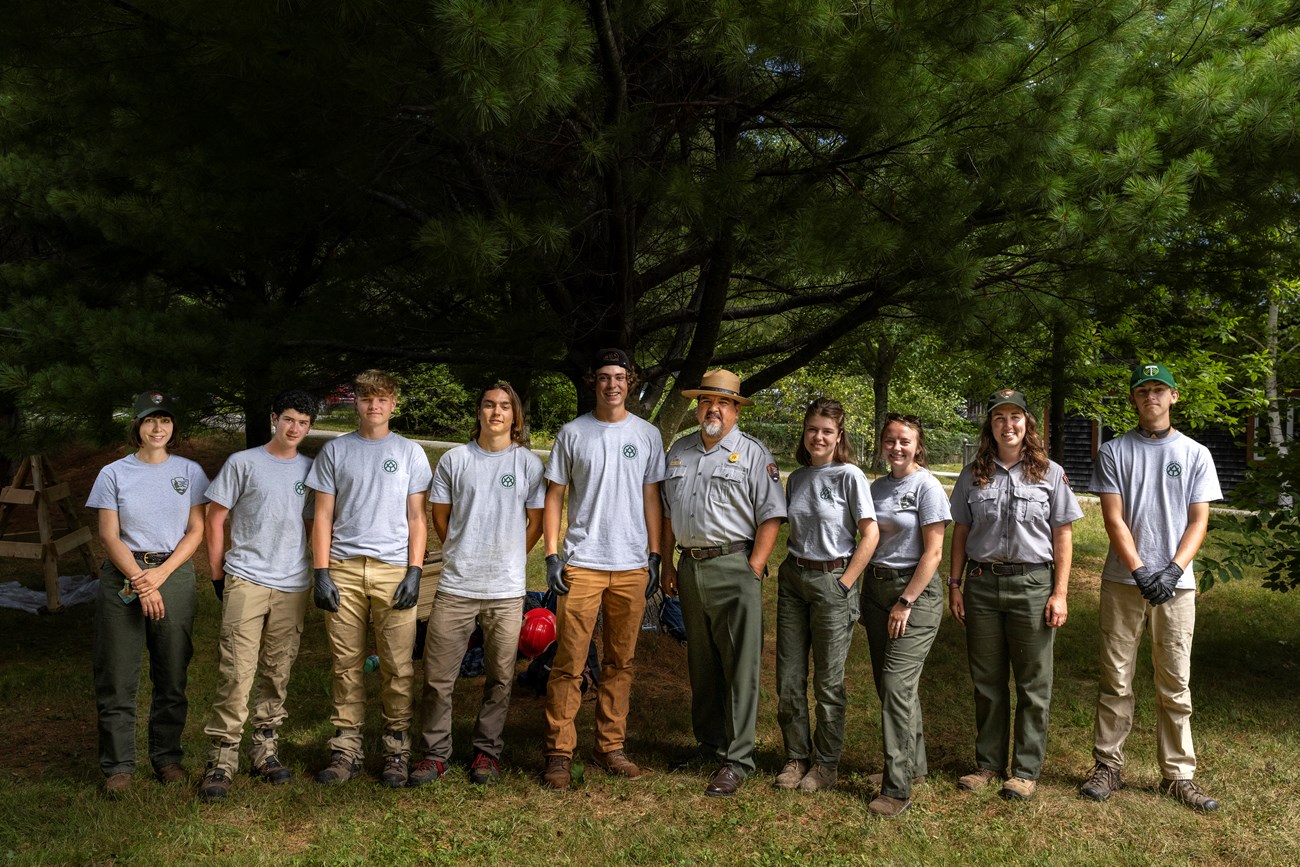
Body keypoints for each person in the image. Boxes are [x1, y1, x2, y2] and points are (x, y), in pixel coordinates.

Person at [1079, 363, 1223, 812]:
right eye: (1143, 391)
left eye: (1159, 389)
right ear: (1134, 400)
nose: (1151, 397)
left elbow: (1199, 520)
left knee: (1175, 682)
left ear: (1174, 397)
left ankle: (1178, 775)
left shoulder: (1196, 453)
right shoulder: (1115, 451)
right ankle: (1108, 765)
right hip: (1124, 582)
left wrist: (1174, 571)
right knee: (1115, 678)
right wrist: (1141, 570)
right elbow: (1113, 517)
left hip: (1178, 587)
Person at [540, 349, 666, 790]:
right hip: (583, 563)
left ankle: (610, 745)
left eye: (620, 377)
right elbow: (554, 495)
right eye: (604, 377)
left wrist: (654, 554)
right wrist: (552, 554)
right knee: (569, 661)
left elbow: (653, 496)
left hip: (631, 564)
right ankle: (560, 750)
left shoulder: (648, 435)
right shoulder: (573, 433)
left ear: (630, 382)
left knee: (621, 662)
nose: (612, 384)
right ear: (594, 382)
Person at [409, 381, 545, 787]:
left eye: (505, 405)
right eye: (489, 405)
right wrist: (461, 549)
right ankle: (435, 754)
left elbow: (535, 522)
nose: (496, 412)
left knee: (500, 678)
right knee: (437, 678)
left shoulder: (528, 464)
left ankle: (487, 752)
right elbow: (439, 516)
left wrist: (510, 557)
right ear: (479, 412)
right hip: (455, 586)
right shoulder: (455, 460)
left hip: (505, 590)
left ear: (515, 415)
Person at [948, 388, 1082, 801]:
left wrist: (1059, 593)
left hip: (1032, 584)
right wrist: (955, 585)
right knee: (987, 680)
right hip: (983, 585)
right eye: (999, 418)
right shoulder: (973, 475)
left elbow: (1063, 534)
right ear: (990, 425)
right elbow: (961, 532)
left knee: (1033, 682)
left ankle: (1025, 769)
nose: (1008, 425)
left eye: (1015, 417)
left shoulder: (1049, 473)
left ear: (1027, 423)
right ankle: (988, 764)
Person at [660, 369, 787, 797]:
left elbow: (771, 515)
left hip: (735, 566)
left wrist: (754, 565)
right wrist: (667, 564)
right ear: (699, 407)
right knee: (703, 661)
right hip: (690, 567)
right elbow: (665, 513)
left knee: (740, 666)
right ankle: (708, 744)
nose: (714, 409)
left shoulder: (752, 454)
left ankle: (738, 759)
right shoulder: (679, 451)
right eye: (706, 402)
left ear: (735, 410)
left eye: (724, 403)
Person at [305, 369, 433, 788]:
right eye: (365, 399)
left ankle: (397, 749)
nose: (373, 406)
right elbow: (323, 515)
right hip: (342, 568)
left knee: (398, 665)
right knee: (346, 664)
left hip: (394, 569)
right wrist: (320, 571)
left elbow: (417, 517)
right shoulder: (335, 452)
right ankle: (346, 748)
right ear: (356, 404)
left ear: (393, 403)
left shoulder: (411, 453)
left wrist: (415, 570)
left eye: (382, 399)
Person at [87, 390, 209, 797]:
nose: (158, 428)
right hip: (124, 573)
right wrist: (141, 579)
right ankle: (119, 766)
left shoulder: (190, 471)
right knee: (117, 674)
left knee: (172, 671)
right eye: (149, 420)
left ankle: (167, 757)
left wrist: (161, 575)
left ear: (173, 428)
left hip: (172, 573)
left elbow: (196, 530)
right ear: (137, 427)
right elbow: (108, 534)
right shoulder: (113, 473)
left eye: (166, 420)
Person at [197, 389, 317, 802]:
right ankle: (221, 758)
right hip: (247, 577)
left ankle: (265, 748)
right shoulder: (243, 463)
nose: (294, 428)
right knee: (236, 669)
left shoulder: (310, 469)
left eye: (303, 422)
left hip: (292, 583)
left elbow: (314, 525)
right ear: (273, 418)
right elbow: (216, 516)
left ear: (310, 426)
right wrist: (217, 574)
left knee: (277, 669)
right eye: (288, 419)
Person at [774, 399, 877, 794]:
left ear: (839, 436)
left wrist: (846, 582)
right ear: (805, 433)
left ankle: (826, 763)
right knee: (789, 676)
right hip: (794, 578)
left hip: (833, 579)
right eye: (813, 429)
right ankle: (795, 757)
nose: (819, 437)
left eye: (827, 431)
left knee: (828, 681)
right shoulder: (797, 478)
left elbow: (870, 534)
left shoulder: (850, 476)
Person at [861, 413, 951, 817]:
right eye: (890, 440)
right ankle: (914, 766)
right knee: (890, 685)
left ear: (918, 446)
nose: (897, 447)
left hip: (914, 594)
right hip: (876, 591)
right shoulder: (875, 487)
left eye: (905, 441)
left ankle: (896, 788)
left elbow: (934, 552)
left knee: (897, 685)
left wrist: (907, 601)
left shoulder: (927, 486)